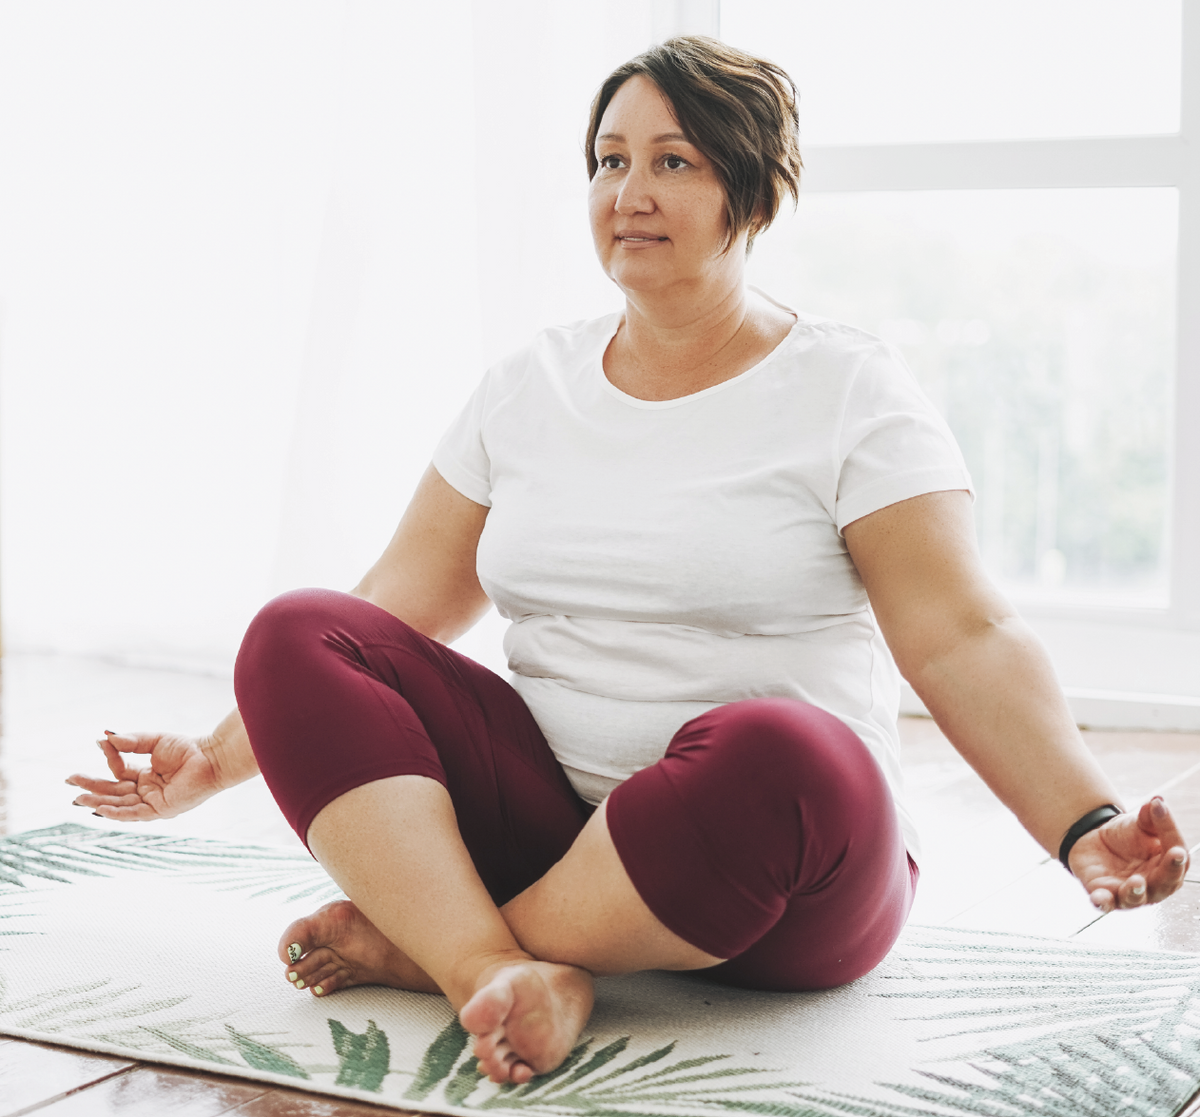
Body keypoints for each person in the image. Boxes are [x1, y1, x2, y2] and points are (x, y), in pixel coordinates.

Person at [67, 35, 1189, 1089]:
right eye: (609, 160)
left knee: (780, 745)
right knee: (296, 626)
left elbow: (962, 636)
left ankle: (436, 945)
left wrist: (1084, 823)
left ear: (752, 192)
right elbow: (392, 607)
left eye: (673, 161)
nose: (629, 193)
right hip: (550, 823)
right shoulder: (528, 385)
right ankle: (492, 968)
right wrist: (210, 761)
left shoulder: (851, 391)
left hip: (783, 873)